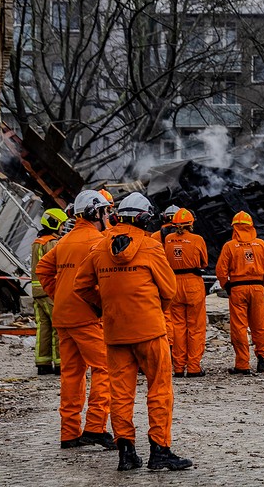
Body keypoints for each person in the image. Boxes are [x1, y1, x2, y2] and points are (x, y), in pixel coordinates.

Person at [72, 193, 191, 472]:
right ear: (145, 218)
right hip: (150, 331)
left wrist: (105, 307)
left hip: (115, 333)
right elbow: (169, 291)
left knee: (121, 394)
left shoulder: (100, 248)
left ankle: (126, 453)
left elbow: (81, 287)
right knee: (159, 391)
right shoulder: (151, 247)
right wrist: (151, 308)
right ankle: (160, 451)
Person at [35, 190, 116, 451]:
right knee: (104, 368)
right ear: (96, 213)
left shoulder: (65, 241)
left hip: (64, 315)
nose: (108, 216)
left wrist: (57, 293)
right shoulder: (98, 240)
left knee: (72, 374)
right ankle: (95, 427)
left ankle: (69, 433)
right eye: (105, 212)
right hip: (87, 316)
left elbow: (43, 270)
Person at [216, 211, 264, 375]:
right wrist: (262, 283)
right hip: (257, 289)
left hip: (237, 289)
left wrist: (226, 285)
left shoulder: (229, 246)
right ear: (251, 227)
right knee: (259, 325)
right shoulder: (261, 244)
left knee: (239, 328)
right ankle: (262, 360)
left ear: (234, 227)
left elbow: (221, 270)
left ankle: (242, 364)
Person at [164, 208, 208, 377]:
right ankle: (194, 367)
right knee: (195, 327)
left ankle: (179, 367)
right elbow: (204, 263)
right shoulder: (197, 239)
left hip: (173, 284)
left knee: (178, 327)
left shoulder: (168, 239)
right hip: (193, 283)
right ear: (191, 224)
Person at [31, 208, 68, 376]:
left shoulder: (37, 242)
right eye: (61, 225)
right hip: (50, 291)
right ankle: (61, 364)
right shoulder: (52, 243)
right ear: (54, 224)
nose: (62, 228)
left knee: (43, 328)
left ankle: (43, 363)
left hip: (37, 292)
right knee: (59, 327)